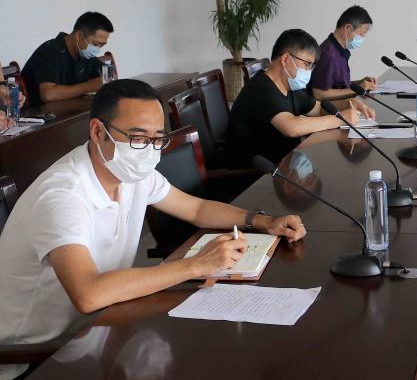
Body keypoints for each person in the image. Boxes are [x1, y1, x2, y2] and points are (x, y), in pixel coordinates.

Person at [0, 80, 305, 378]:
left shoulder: (130, 171)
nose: (148, 150)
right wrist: (196, 265)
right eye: (138, 137)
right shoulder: (62, 195)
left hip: (101, 323)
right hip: (37, 353)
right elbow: (88, 294)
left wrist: (262, 221)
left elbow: (196, 209)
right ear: (98, 131)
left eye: (157, 138)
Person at [226, 29, 359, 168]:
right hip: (255, 173)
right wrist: (341, 119)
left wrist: (347, 103)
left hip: (283, 162)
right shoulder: (261, 89)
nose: (309, 71)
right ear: (285, 59)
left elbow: (318, 108)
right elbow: (292, 127)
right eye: (307, 64)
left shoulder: (289, 85)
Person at [22, 12, 114, 105]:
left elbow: (108, 78)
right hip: (38, 111)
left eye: (101, 45)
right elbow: (48, 95)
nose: (97, 50)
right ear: (79, 36)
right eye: (95, 44)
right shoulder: (50, 51)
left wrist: (105, 81)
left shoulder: (84, 54)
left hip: (70, 108)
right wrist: (88, 87)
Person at [309, 6, 377, 119]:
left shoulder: (339, 50)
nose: (362, 38)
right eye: (361, 34)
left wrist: (359, 84)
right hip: (328, 115)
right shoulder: (328, 54)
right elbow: (319, 93)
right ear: (348, 29)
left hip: (341, 110)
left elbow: (337, 84)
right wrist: (355, 90)